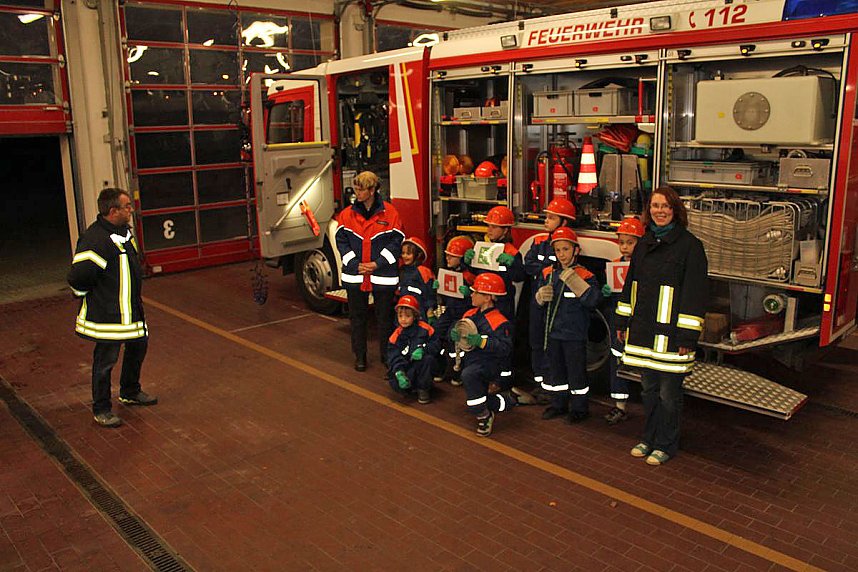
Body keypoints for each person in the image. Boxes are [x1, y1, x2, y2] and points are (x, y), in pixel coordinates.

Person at [615, 187, 708, 465]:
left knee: (669, 395)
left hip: (671, 339)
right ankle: (648, 438)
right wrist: (621, 320)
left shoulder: (691, 247)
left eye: (666, 206)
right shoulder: (644, 243)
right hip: (644, 333)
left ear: (676, 210)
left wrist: (687, 337)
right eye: (655, 206)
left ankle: (666, 444)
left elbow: (694, 295)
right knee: (648, 391)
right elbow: (631, 286)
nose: (660, 211)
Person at [67, 188, 157, 428]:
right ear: (112, 210)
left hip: (130, 313)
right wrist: (95, 299)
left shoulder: (123, 233)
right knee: (105, 361)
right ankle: (101, 409)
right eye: (126, 206)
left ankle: (130, 391)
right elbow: (79, 277)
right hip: (108, 317)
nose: (131, 210)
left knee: (138, 347)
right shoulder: (95, 239)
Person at [336, 171, 404, 372]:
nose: (357, 192)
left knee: (384, 319)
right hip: (355, 275)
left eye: (361, 189)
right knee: (357, 318)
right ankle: (360, 356)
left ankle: (387, 356)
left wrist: (378, 264)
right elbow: (341, 243)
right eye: (356, 188)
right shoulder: (347, 214)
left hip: (383, 277)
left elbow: (396, 242)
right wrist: (355, 264)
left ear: (373, 190)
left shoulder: (390, 214)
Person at [534, 227, 601, 423]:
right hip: (553, 332)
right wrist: (539, 298)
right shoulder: (548, 273)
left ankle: (580, 409)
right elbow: (537, 303)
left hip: (574, 335)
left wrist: (578, 284)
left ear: (576, 250)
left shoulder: (585, 275)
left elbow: (594, 301)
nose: (562, 254)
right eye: (558, 250)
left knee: (576, 374)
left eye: (565, 249)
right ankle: (558, 404)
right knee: (557, 373)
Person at [463, 205, 525, 387]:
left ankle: (503, 380)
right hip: (483, 303)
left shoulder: (512, 252)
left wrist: (513, 264)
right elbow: (478, 274)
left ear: (506, 230)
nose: (489, 230)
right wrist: (468, 263)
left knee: (503, 342)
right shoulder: (484, 249)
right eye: (488, 225)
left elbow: (520, 276)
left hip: (502, 303)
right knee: (484, 340)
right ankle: (486, 376)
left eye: (494, 226)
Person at [450, 273, 514, 437]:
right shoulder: (469, 315)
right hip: (472, 361)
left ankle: (484, 416)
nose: (471, 295)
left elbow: (505, 348)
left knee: (470, 379)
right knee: (475, 393)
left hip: (489, 364)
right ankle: (505, 401)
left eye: (475, 292)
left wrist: (482, 342)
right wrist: (455, 335)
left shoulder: (499, 322)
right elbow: (460, 329)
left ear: (487, 298)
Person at [523, 198, 577, 394]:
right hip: (538, 299)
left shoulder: (568, 244)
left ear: (564, 222)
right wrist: (546, 268)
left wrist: (544, 269)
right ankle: (540, 383)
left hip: (556, 303)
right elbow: (528, 265)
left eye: (551, 217)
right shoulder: (538, 241)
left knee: (551, 345)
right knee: (536, 340)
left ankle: (551, 384)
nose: (546, 220)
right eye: (546, 216)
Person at [600, 216, 645, 425]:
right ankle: (619, 406)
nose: (625, 247)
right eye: (621, 242)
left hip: (639, 324)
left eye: (630, 242)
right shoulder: (614, 266)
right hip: (618, 323)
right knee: (616, 360)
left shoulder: (645, 268)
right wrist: (605, 292)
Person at [432, 235, 476, 386]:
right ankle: (440, 367)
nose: (448, 259)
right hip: (450, 311)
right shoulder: (447, 273)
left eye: (452, 256)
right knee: (436, 333)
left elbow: (477, 302)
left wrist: (469, 294)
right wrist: (439, 290)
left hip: (463, 314)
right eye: (447, 256)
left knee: (455, 338)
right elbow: (444, 300)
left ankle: (458, 370)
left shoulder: (469, 276)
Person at [387, 295, 436, 404]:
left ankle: (423, 389)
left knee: (428, 360)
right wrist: (399, 372)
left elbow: (436, 345)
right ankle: (408, 386)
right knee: (394, 381)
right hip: (406, 367)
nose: (403, 319)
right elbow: (393, 357)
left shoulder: (426, 329)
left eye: (407, 316)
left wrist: (423, 349)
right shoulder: (395, 336)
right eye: (400, 316)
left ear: (415, 316)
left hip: (420, 365)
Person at [398, 236, 436, 322]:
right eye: (403, 253)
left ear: (418, 255)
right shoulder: (401, 270)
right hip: (403, 311)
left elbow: (430, 293)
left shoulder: (424, 272)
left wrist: (430, 311)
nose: (404, 256)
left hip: (420, 312)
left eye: (408, 253)